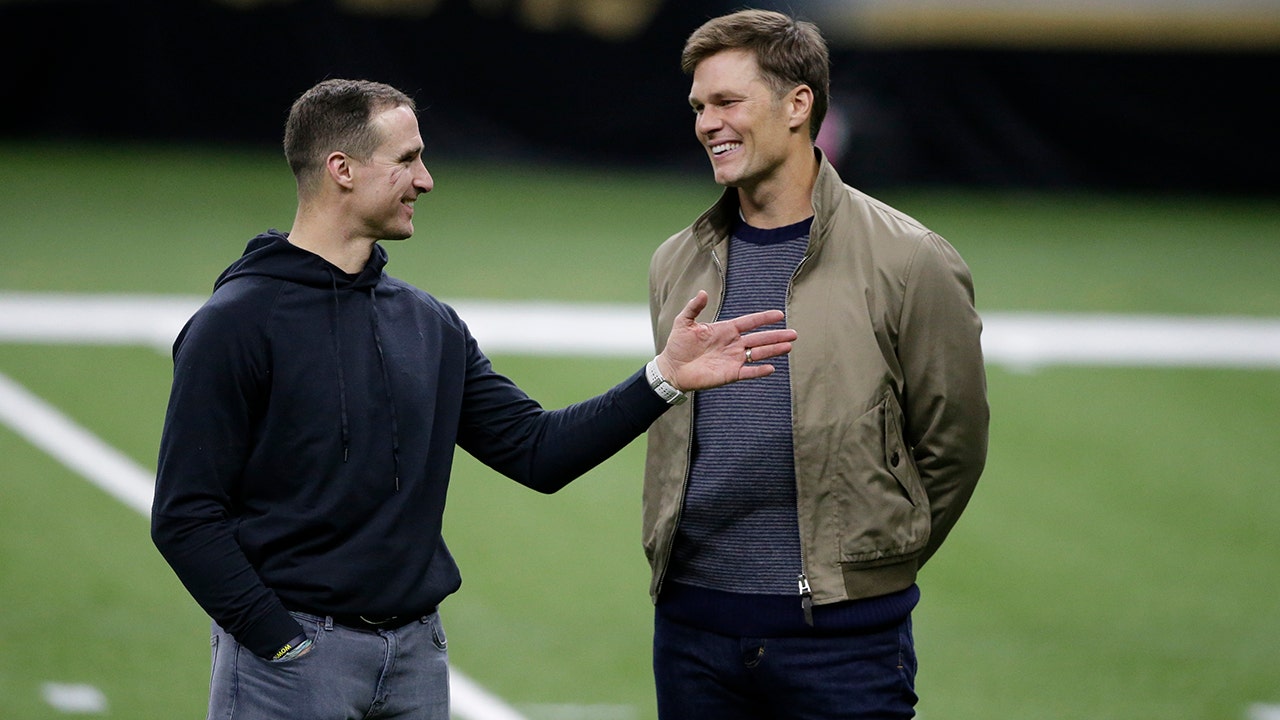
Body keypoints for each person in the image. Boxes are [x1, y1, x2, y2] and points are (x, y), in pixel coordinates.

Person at [150, 78, 797, 720]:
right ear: (341, 169)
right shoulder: (235, 324)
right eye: (406, 160)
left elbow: (538, 453)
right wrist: (281, 642)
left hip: (415, 663)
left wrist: (662, 377)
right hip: (292, 666)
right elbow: (186, 517)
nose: (426, 180)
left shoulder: (427, 323)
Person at [643, 9, 990, 719]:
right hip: (691, 634)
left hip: (844, 644)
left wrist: (867, 563)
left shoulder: (910, 258)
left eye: (728, 102)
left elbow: (953, 446)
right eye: (699, 107)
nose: (709, 123)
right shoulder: (675, 260)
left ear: (798, 104)